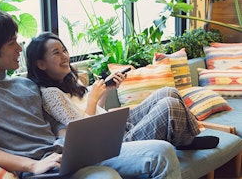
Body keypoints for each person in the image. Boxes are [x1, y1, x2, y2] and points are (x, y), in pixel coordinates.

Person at [0, 9, 182, 179]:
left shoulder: (27, 85)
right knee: (105, 177)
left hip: (67, 156)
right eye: (12, 43)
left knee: (162, 151)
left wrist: (74, 142)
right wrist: (31, 166)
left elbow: (54, 125)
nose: (20, 48)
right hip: (39, 169)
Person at [26, 32, 205, 147]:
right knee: (169, 105)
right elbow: (82, 132)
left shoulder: (70, 80)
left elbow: (97, 111)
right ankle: (185, 139)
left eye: (64, 50)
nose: (64, 56)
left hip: (116, 126)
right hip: (110, 143)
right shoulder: (50, 94)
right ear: (41, 64)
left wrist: (107, 90)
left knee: (169, 92)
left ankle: (185, 138)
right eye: (56, 53)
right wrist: (92, 99)